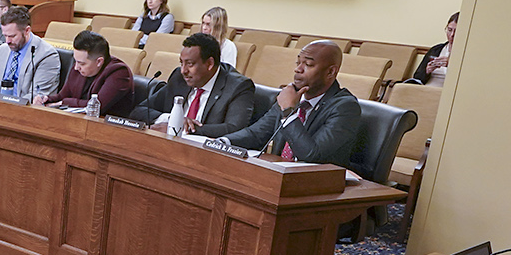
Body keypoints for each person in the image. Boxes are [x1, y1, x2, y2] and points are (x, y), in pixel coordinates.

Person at [226, 40, 361, 166]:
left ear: (331, 72)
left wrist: (288, 112)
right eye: (298, 63)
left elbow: (312, 155)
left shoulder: (345, 107)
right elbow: (256, 133)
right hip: (278, 173)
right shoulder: (292, 95)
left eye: (308, 64)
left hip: (315, 180)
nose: (298, 69)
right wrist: (223, 142)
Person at [128, 33, 257, 137]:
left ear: (209, 64)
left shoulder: (238, 86)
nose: (183, 70)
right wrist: (172, 119)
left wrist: (182, 128)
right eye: (181, 63)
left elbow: (235, 129)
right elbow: (140, 110)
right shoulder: (179, 78)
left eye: (190, 64)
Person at [42, 31, 135, 116]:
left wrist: (64, 103)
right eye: (75, 61)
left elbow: (97, 107)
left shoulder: (119, 73)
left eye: (81, 63)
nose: (76, 67)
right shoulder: (79, 68)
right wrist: (46, 99)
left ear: (99, 62)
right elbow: (62, 96)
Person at [0, 7, 61, 105]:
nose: (7, 41)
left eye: (12, 36)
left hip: (23, 109)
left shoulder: (47, 55)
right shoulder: (3, 50)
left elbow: (38, 95)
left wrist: (10, 104)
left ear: (27, 30)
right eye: (5, 35)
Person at [406, 12, 458, 85]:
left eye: (456, 31)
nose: (452, 35)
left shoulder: (467, 54)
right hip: (426, 87)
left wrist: (451, 64)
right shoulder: (436, 50)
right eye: (449, 30)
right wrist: (427, 71)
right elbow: (417, 76)